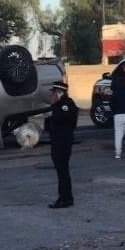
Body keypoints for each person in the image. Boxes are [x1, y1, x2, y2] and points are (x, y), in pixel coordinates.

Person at [46, 81, 79, 209]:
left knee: (62, 171)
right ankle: (66, 197)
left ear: (59, 93)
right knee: (62, 171)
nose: (51, 95)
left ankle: (64, 198)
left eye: (53, 92)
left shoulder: (65, 105)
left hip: (62, 141)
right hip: (57, 140)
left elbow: (58, 120)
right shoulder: (59, 105)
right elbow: (48, 125)